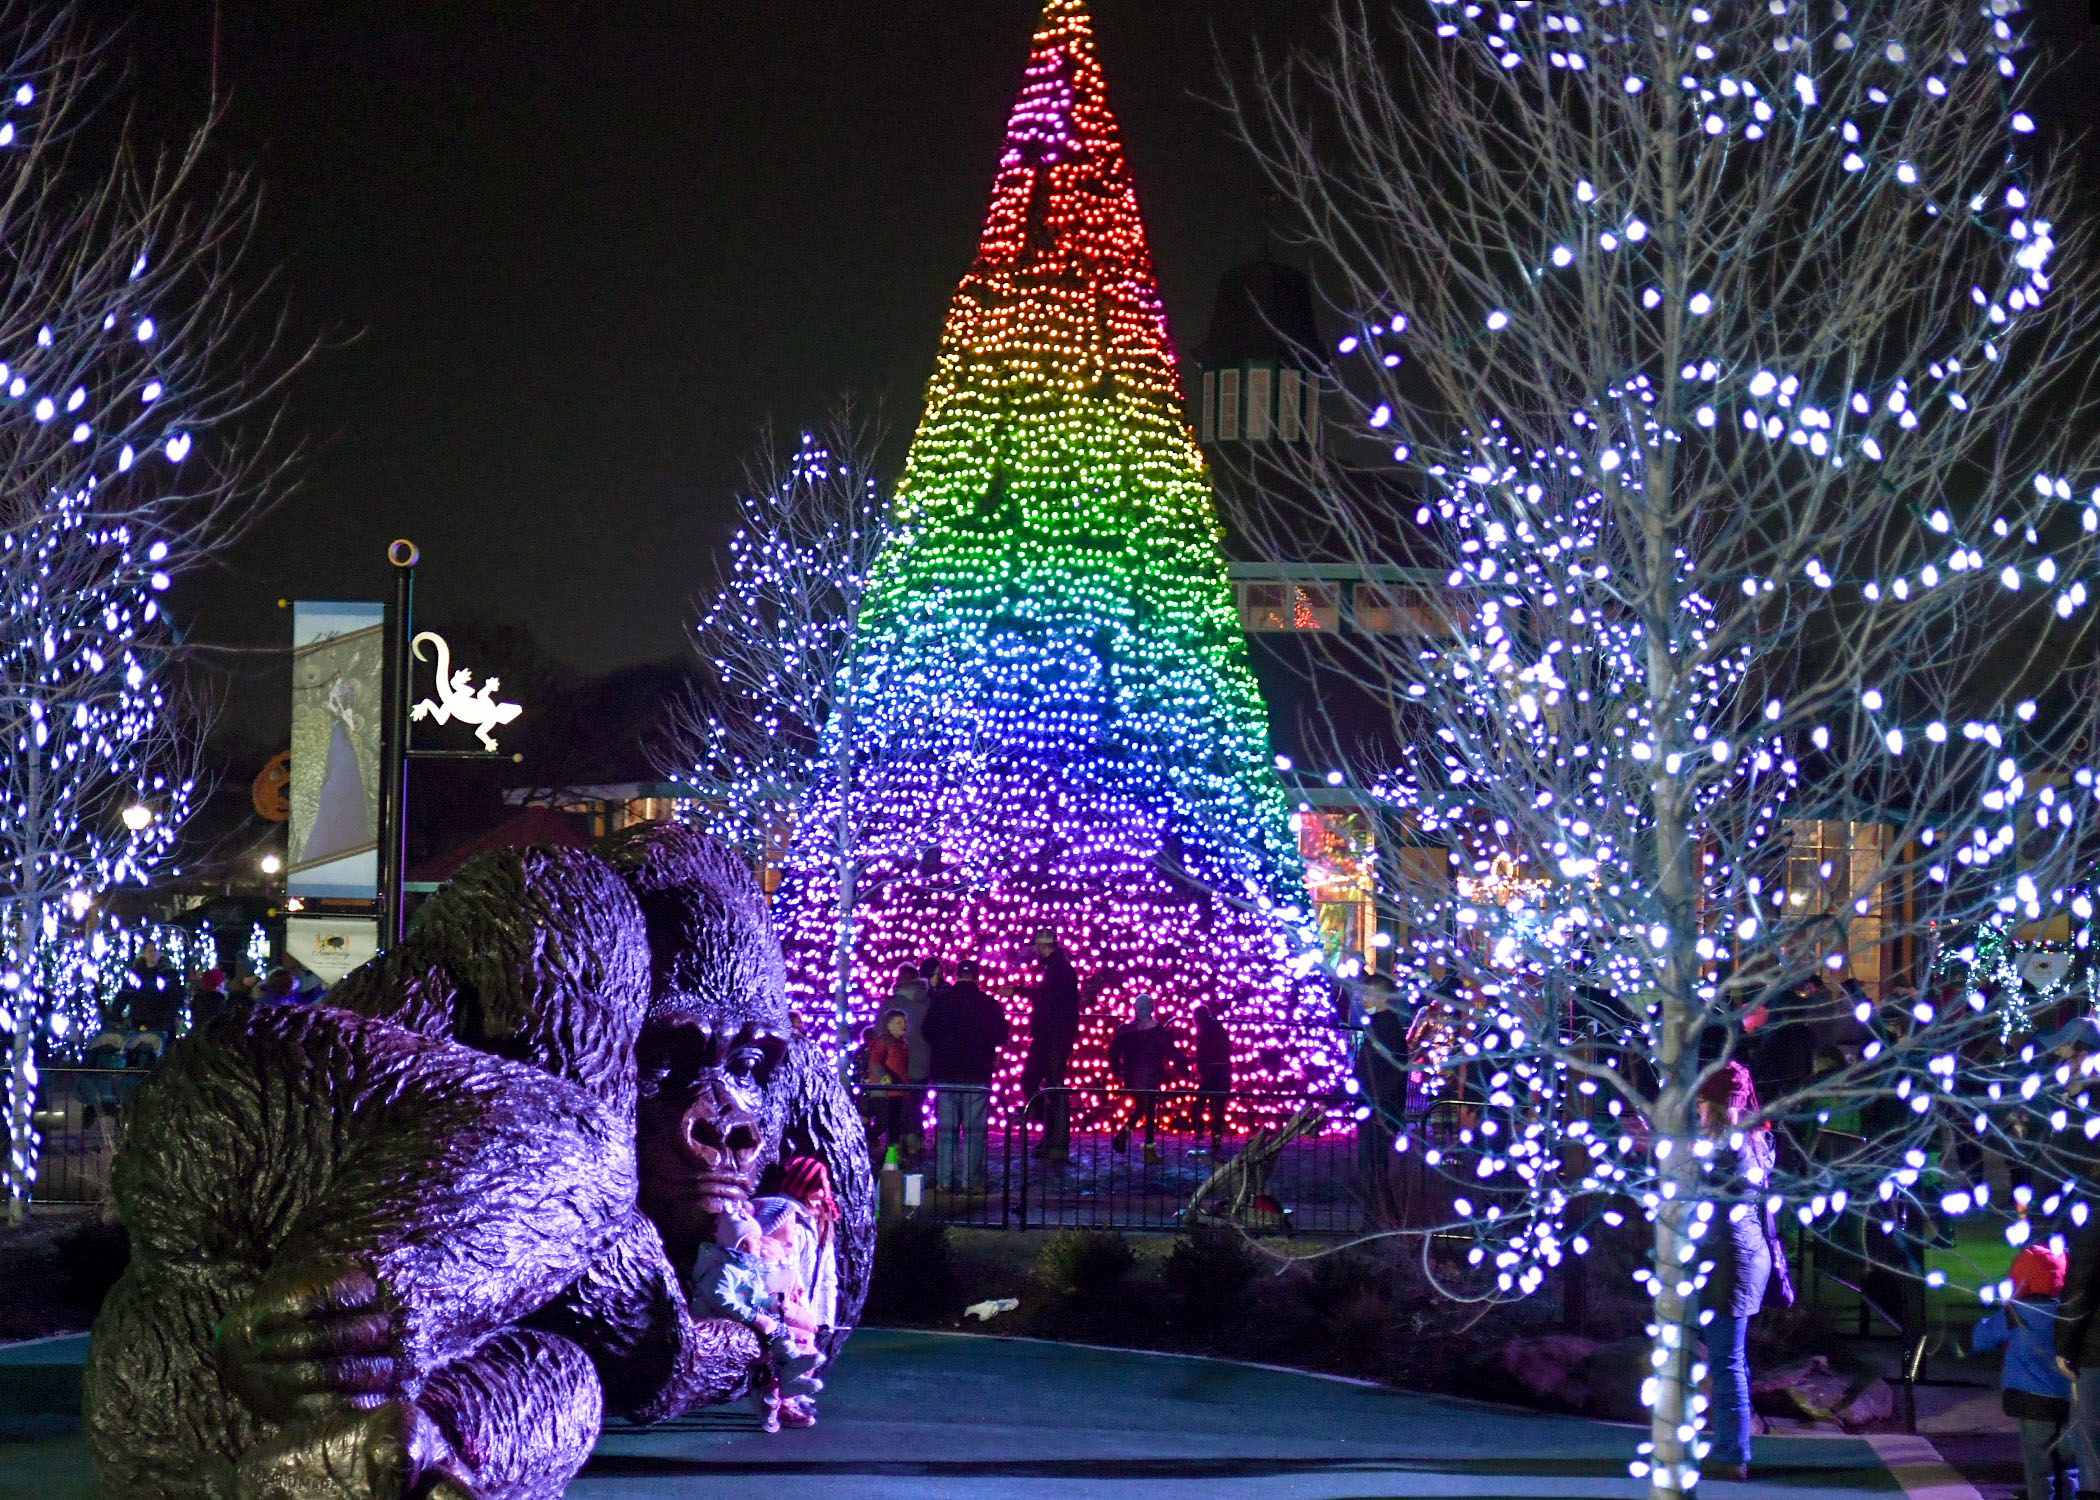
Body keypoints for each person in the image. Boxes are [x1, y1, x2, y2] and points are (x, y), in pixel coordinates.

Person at [1699, 1059, 1795, 1484]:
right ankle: (1728, 1444)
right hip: (1746, 1259)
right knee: (1729, 1360)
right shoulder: (1756, 1143)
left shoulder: (1724, 1150)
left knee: (1727, 1362)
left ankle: (1731, 1452)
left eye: (1702, 1104)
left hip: (1728, 1264)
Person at [1973, 1244, 2074, 1500]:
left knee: (2037, 1461)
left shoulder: (2015, 1313)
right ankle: (2070, 1493)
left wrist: (1982, 1325)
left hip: (2031, 1399)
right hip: (2068, 1396)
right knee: (2068, 1456)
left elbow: (1984, 1337)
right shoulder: (2066, 1311)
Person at [920, 958, 1009, 1193]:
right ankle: (970, 1180)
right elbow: (1001, 1035)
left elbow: (927, 1031)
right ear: (977, 977)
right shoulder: (989, 1004)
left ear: (957, 975)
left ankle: (944, 1180)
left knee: (946, 1130)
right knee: (974, 1132)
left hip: (946, 1073)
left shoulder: (941, 1003)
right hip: (976, 1075)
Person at [1014, 929, 1080, 1164]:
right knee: (1043, 1084)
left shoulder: (1057, 969)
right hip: (1052, 1036)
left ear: (1044, 947)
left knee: (1048, 1086)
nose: (1034, 951)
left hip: (1052, 1036)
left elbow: (1046, 997)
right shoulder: (1058, 968)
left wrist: (1017, 990)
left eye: (1036, 947)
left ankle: (1055, 1138)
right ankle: (1051, 1136)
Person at [1106, 995, 1179, 1164]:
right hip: (1150, 1075)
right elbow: (1170, 1051)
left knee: (1141, 1108)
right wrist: (1184, 1069)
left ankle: (1124, 1135)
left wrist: (1117, 1070)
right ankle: (1148, 1150)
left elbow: (1113, 1052)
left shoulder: (1125, 1030)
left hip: (1132, 1075)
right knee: (1149, 1110)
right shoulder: (1157, 1031)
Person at [862, 1008, 912, 1160]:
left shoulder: (902, 1045)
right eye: (898, 1022)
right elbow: (875, 1062)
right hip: (885, 1091)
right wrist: (884, 1077)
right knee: (885, 1121)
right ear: (889, 1025)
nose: (903, 1025)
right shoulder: (884, 1042)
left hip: (897, 1091)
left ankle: (892, 1156)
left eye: (904, 1022)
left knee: (895, 1125)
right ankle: (869, 1139)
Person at [1192, 1000, 1233, 1154]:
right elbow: (1227, 1047)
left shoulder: (1203, 1031)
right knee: (1218, 1104)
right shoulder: (1219, 1027)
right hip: (1223, 1069)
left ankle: (1199, 1129)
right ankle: (1215, 1135)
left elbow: (1201, 1053)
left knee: (1201, 1101)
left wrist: (1199, 1069)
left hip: (1210, 1070)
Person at [122, 943, 182, 1039]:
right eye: (150, 951)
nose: (153, 954)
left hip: (163, 1024)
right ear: (144, 953)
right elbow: (124, 995)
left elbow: (176, 997)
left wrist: (169, 1015)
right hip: (140, 1022)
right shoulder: (136, 975)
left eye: (155, 951)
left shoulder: (168, 974)